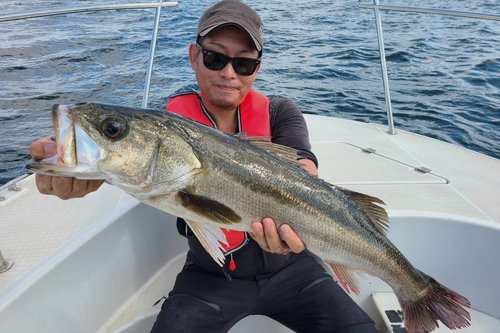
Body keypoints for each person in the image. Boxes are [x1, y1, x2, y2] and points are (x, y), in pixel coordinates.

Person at [30, 1, 378, 332]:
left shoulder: (280, 113)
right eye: (214, 57)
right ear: (195, 56)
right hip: (210, 274)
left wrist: (299, 225)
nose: (229, 73)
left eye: (243, 63)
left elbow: (305, 174)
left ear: (257, 67)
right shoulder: (163, 129)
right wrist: (72, 171)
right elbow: (134, 163)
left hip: (295, 269)